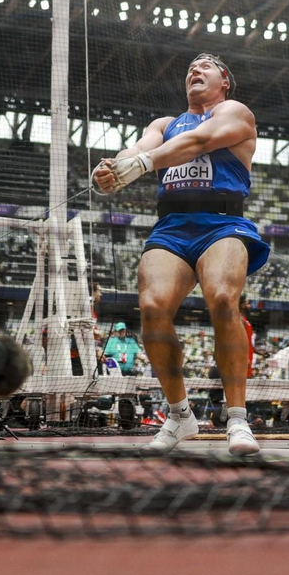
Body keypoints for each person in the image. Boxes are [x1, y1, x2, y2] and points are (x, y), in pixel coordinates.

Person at [92, 53, 269, 456]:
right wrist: (111, 170)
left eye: (206, 66)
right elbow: (137, 149)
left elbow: (200, 142)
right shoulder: (164, 125)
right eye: (191, 67)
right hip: (171, 227)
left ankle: (237, 419)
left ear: (224, 81)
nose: (195, 69)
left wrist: (140, 164)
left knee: (222, 298)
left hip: (222, 223)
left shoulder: (235, 112)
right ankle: (179, 414)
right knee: (152, 307)